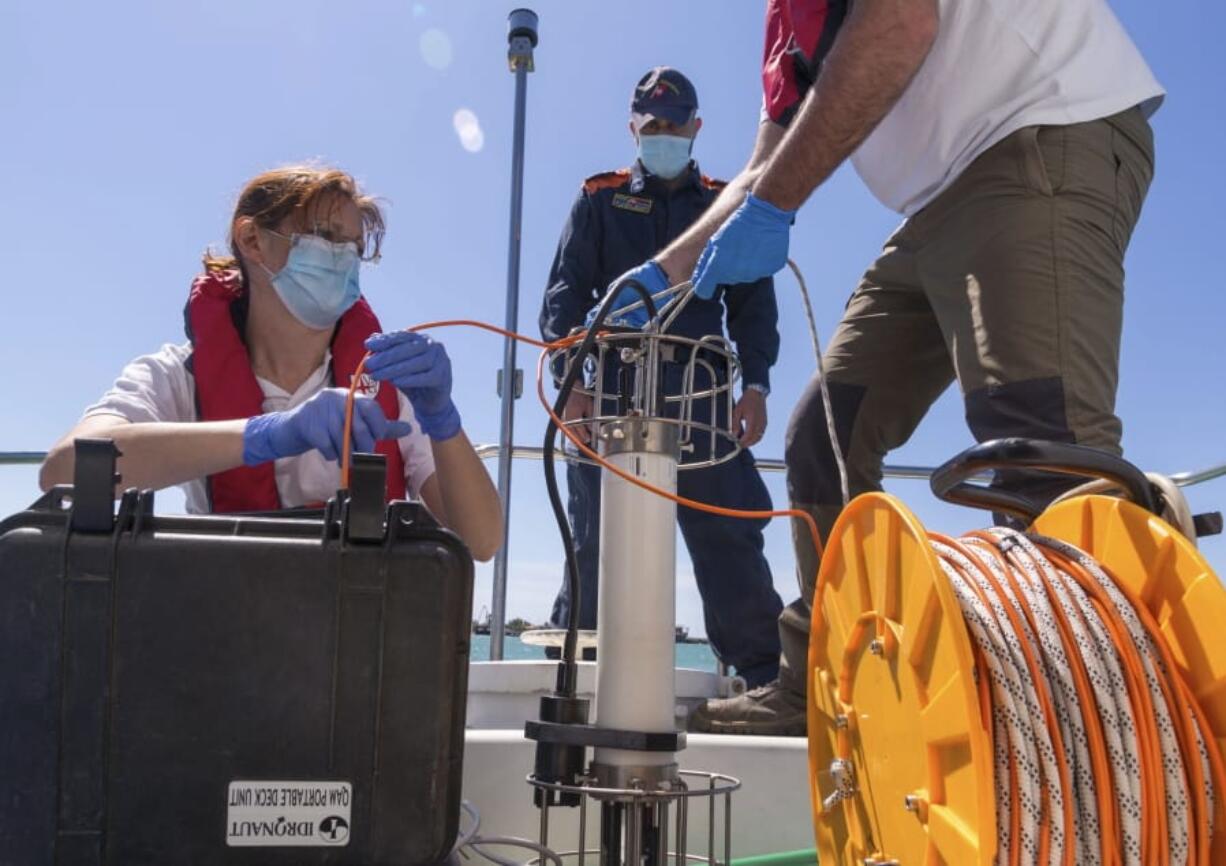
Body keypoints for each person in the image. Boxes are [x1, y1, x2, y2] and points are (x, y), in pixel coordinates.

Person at [616, 1, 1163, 733]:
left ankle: (1094, 731)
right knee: (823, 438)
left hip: (1041, 126)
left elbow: (902, 21)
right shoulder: (787, 25)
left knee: (1039, 445)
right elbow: (761, 169)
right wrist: (657, 277)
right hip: (934, 204)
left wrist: (776, 207)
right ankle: (827, 682)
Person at [40, 165, 503, 561]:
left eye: (354, 247)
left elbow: (480, 542)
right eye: (323, 236)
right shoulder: (176, 376)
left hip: (365, 629)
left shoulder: (390, 383)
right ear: (252, 240)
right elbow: (63, 471)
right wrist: (270, 434)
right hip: (231, 625)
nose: (343, 258)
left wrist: (442, 420)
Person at [539, 67, 785, 687]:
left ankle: (760, 680)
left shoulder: (727, 206)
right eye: (653, 126)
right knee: (594, 537)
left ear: (696, 127)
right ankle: (575, 675)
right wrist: (574, 393)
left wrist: (755, 384)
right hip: (610, 392)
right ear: (634, 128)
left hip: (702, 396)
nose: (664, 134)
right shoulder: (599, 198)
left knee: (729, 529)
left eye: (675, 125)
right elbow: (564, 303)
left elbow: (754, 306)